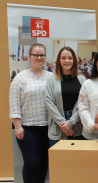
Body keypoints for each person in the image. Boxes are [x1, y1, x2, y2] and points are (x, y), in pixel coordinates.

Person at [9, 43, 52, 183]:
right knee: (32, 162)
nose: (39, 58)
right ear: (30, 57)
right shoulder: (20, 78)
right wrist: (18, 126)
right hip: (28, 129)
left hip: (48, 128)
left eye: (42, 55)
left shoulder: (51, 77)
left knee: (44, 164)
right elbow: (14, 103)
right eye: (36, 55)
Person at [45, 47, 86, 147]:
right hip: (57, 128)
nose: (67, 61)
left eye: (70, 58)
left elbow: (84, 103)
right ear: (59, 60)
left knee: (76, 161)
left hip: (77, 127)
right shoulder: (51, 80)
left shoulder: (82, 79)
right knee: (58, 161)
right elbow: (49, 102)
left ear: (74, 60)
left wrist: (70, 123)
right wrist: (63, 124)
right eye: (63, 58)